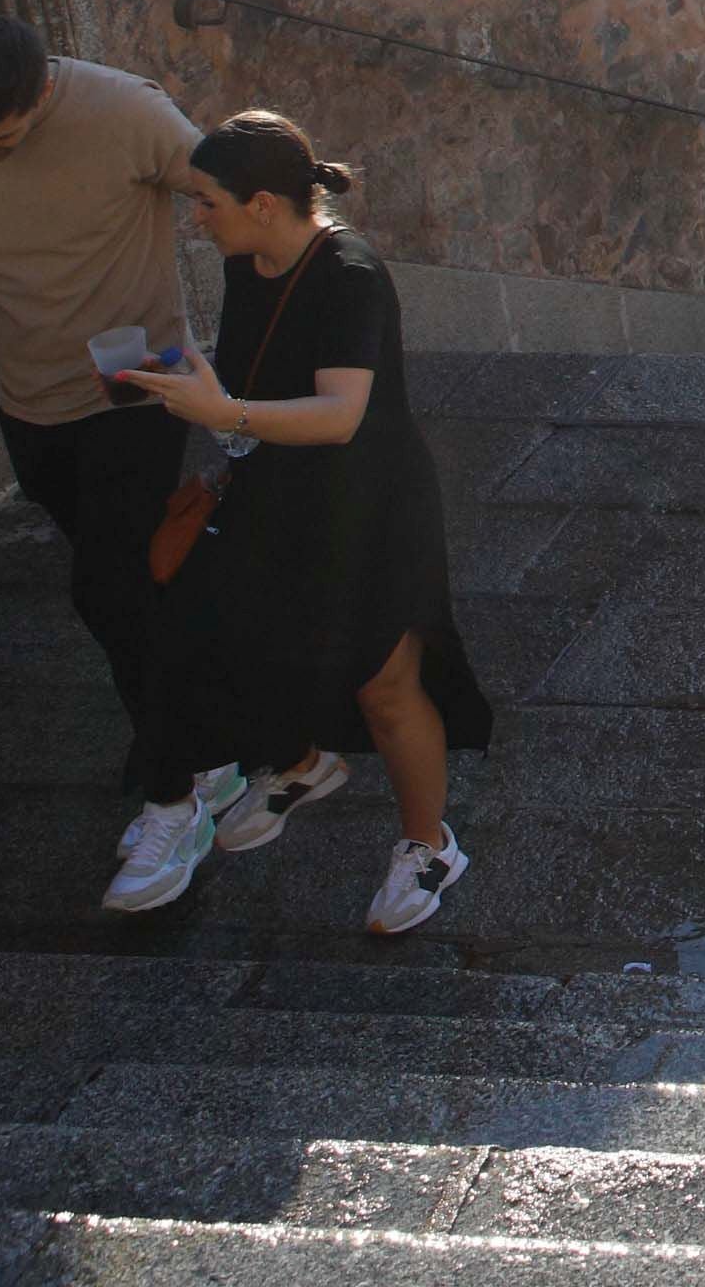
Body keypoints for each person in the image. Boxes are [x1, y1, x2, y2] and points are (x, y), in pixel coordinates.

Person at [0, 14, 221, 909]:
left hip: (137, 387)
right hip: (30, 401)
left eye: (6, 142)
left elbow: (223, 191)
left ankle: (175, 803)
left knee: (107, 588)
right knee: (137, 582)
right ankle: (215, 736)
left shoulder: (124, 110)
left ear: (45, 95)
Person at [117, 112, 492, 936]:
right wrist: (189, 382)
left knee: (388, 686)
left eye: (206, 203)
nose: (196, 218)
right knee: (241, 632)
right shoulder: (252, 260)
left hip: (371, 507)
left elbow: (340, 414)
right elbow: (256, 375)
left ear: (259, 201)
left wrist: (226, 411)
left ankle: (428, 846)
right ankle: (301, 762)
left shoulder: (349, 274)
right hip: (277, 493)